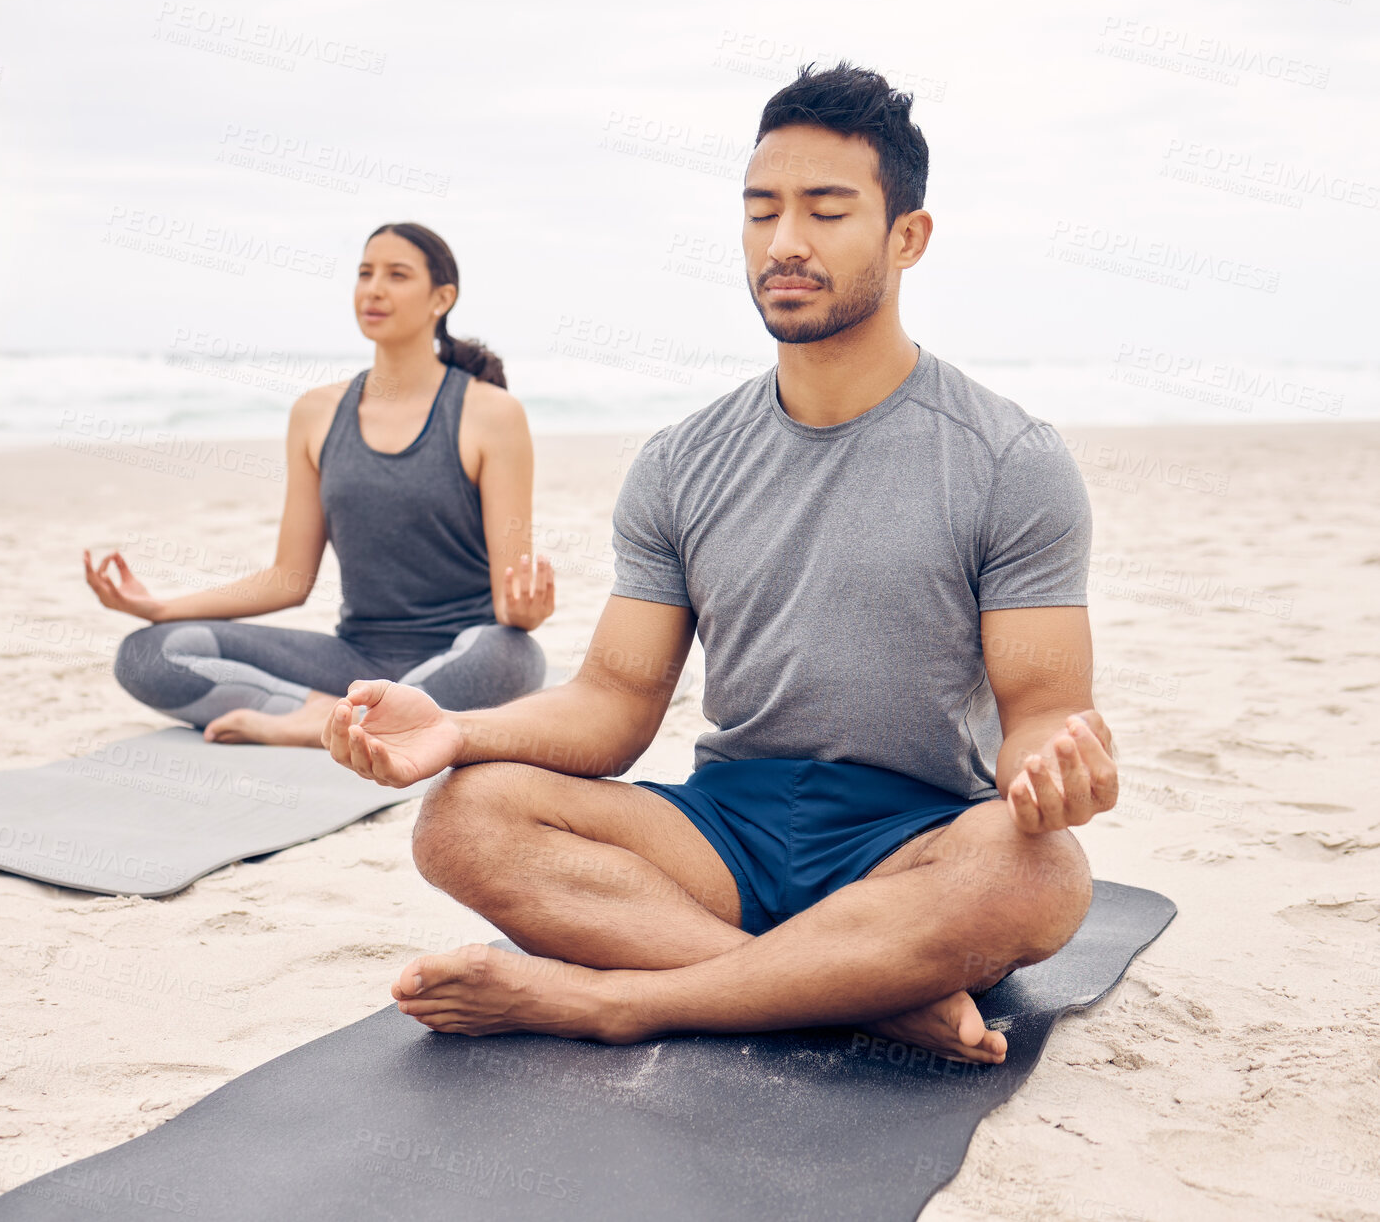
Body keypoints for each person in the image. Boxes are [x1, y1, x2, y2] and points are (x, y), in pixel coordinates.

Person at [317, 64, 1119, 1066]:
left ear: (907, 236)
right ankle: (850, 994)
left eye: (827, 211)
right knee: (464, 818)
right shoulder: (682, 459)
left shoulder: (1010, 459)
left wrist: (1051, 768)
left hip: (915, 839)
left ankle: (617, 1003)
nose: (784, 243)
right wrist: (454, 729)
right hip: (724, 833)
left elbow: (1042, 705)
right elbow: (612, 701)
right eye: (761, 212)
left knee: (1041, 874)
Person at [84, 222, 554, 747]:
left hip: (462, 653)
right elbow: (290, 578)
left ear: (441, 298)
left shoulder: (491, 414)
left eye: (397, 275)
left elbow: (510, 595)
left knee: (514, 656)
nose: (373, 289)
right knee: (147, 653)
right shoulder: (316, 413)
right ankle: (330, 716)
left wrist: (523, 613)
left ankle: (330, 722)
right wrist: (161, 608)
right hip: (352, 658)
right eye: (364, 273)